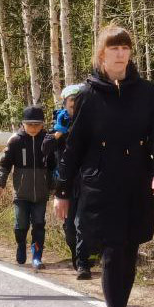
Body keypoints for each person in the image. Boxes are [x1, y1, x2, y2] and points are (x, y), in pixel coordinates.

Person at [54, 25, 154, 307]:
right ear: (101, 55)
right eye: (113, 49)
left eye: (125, 48)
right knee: (110, 252)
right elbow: (73, 147)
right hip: (100, 184)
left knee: (129, 253)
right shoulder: (88, 96)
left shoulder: (147, 93)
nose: (120, 54)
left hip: (137, 181)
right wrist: (62, 190)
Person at [0, 106, 57, 269]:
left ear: (43, 124)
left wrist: (53, 187)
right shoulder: (15, 141)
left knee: (39, 225)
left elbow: (53, 167)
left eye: (37, 124)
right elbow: (4, 165)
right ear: (23, 124)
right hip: (21, 193)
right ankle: (21, 244)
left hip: (41, 194)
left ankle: (37, 256)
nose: (34, 128)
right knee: (21, 224)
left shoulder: (48, 140)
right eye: (30, 124)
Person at [53, 83, 90, 277]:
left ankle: (84, 263)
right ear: (65, 105)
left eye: (79, 104)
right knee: (69, 228)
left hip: (89, 181)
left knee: (82, 223)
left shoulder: (93, 124)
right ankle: (77, 257)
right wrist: (59, 133)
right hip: (67, 182)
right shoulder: (59, 126)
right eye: (71, 104)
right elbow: (46, 150)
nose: (75, 108)